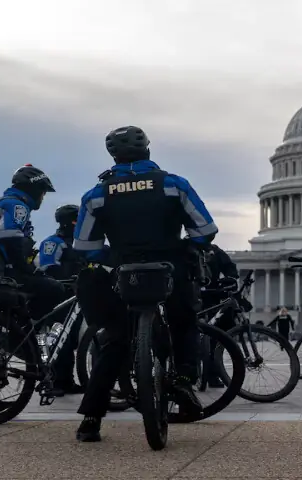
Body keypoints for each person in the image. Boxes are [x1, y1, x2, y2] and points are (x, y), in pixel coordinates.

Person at [72, 125, 218, 442]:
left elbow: (85, 247)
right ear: (148, 150)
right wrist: (190, 244)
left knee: (116, 340)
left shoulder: (97, 194)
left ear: (113, 156)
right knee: (184, 320)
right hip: (170, 268)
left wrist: (116, 252)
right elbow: (205, 229)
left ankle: (91, 419)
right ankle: (183, 377)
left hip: (125, 273)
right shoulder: (173, 184)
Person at [0, 164, 66, 320]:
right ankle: (28, 330)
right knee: (55, 288)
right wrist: (27, 269)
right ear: (33, 189)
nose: (42, 197)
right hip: (2, 271)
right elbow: (10, 241)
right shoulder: (17, 205)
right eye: (43, 192)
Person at [35, 204, 87, 396]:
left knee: (70, 339)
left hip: (77, 298)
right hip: (58, 298)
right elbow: (47, 266)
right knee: (57, 338)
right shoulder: (54, 242)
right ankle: (54, 380)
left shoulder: (80, 244)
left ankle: (66, 381)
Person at [200, 243, 240, 388]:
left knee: (219, 335)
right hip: (192, 294)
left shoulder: (214, 251)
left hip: (212, 296)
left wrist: (230, 278)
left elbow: (229, 267)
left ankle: (213, 373)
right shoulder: (186, 248)